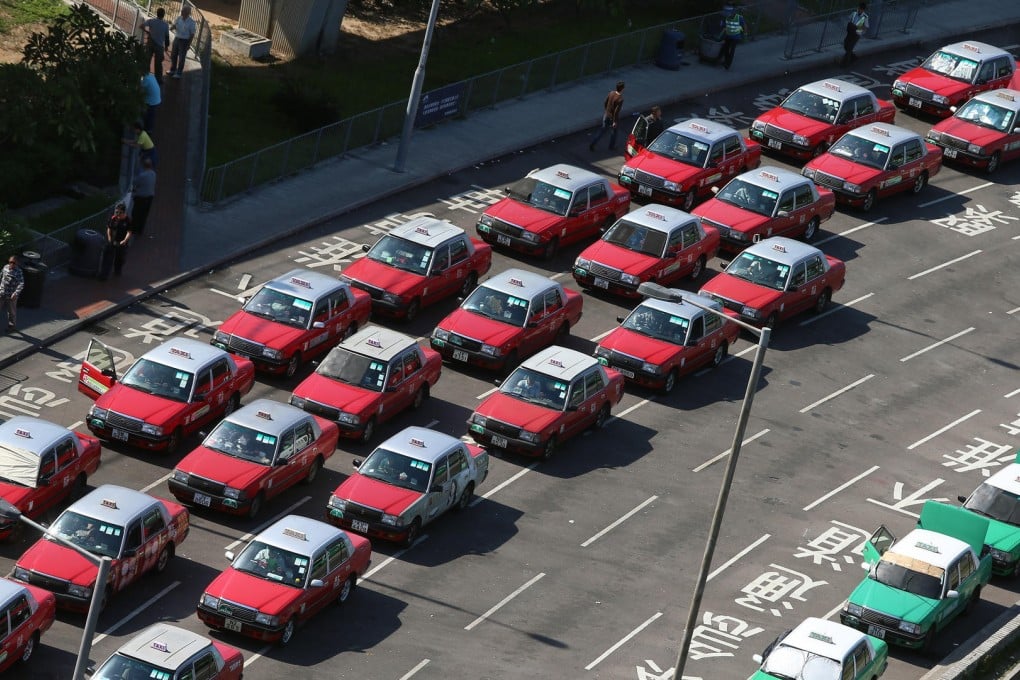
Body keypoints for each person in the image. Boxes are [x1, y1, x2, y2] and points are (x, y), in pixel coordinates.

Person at [589, 80, 625, 151]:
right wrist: (614, 121)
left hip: (606, 115)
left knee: (602, 131)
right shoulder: (620, 99)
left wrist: (607, 111)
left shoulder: (611, 93)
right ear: (622, 89)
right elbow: (616, 112)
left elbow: (605, 102)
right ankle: (611, 146)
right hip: (612, 118)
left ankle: (593, 143)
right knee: (614, 132)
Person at [142, 7, 171, 83]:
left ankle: (145, 75)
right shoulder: (165, 25)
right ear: (163, 15)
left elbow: (141, 26)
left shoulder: (151, 21)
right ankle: (158, 79)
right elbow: (167, 36)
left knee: (147, 60)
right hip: (159, 46)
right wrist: (166, 46)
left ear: (157, 13)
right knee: (158, 63)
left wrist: (147, 32)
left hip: (150, 43)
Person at [106, 203, 134, 278]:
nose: (118, 214)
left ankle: (117, 271)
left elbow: (129, 232)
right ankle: (107, 270)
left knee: (119, 258)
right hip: (112, 240)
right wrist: (109, 237)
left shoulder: (128, 220)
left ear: (124, 212)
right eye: (116, 212)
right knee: (109, 256)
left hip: (121, 242)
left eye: (120, 212)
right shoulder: (113, 218)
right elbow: (109, 228)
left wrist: (124, 240)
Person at [169, 5, 196, 79]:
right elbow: (174, 25)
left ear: (187, 12)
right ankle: (172, 70)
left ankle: (179, 73)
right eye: (182, 10)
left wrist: (188, 45)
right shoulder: (178, 18)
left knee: (181, 58)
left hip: (184, 41)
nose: (181, 11)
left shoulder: (191, 22)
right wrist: (172, 27)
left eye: (183, 10)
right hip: (177, 38)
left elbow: (192, 34)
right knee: (173, 55)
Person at [131, 159, 157, 237]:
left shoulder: (142, 176)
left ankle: (134, 229)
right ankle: (140, 230)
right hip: (150, 197)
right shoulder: (153, 174)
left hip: (141, 197)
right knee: (144, 214)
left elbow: (134, 182)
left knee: (136, 213)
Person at [0, 256, 24, 333]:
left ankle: (12, 327)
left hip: (11, 296)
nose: (11, 264)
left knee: (11, 312)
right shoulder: (5, 267)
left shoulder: (18, 271)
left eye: (13, 263)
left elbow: (21, 283)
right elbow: (1, 275)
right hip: (2, 293)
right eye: (10, 262)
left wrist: (15, 293)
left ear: (17, 263)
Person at [719, 5, 747, 71]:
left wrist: (745, 35)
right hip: (728, 36)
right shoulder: (726, 17)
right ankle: (726, 61)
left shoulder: (739, 18)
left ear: (732, 13)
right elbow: (724, 25)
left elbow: (744, 26)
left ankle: (728, 64)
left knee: (732, 50)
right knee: (726, 49)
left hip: (735, 37)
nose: (726, 15)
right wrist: (721, 24)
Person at [842, 3, 869, 67]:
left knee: (849, 48)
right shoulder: (854, 13)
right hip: (850, 32)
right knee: (845, 45)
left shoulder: (865, 17)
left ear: (863, 10)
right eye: (859, 8)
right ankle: (853, 57)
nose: (859, 10)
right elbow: (849, 20)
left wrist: (859, 29)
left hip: (856, 34)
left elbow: (866, 26)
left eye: (861, 9)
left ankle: (845, 63)